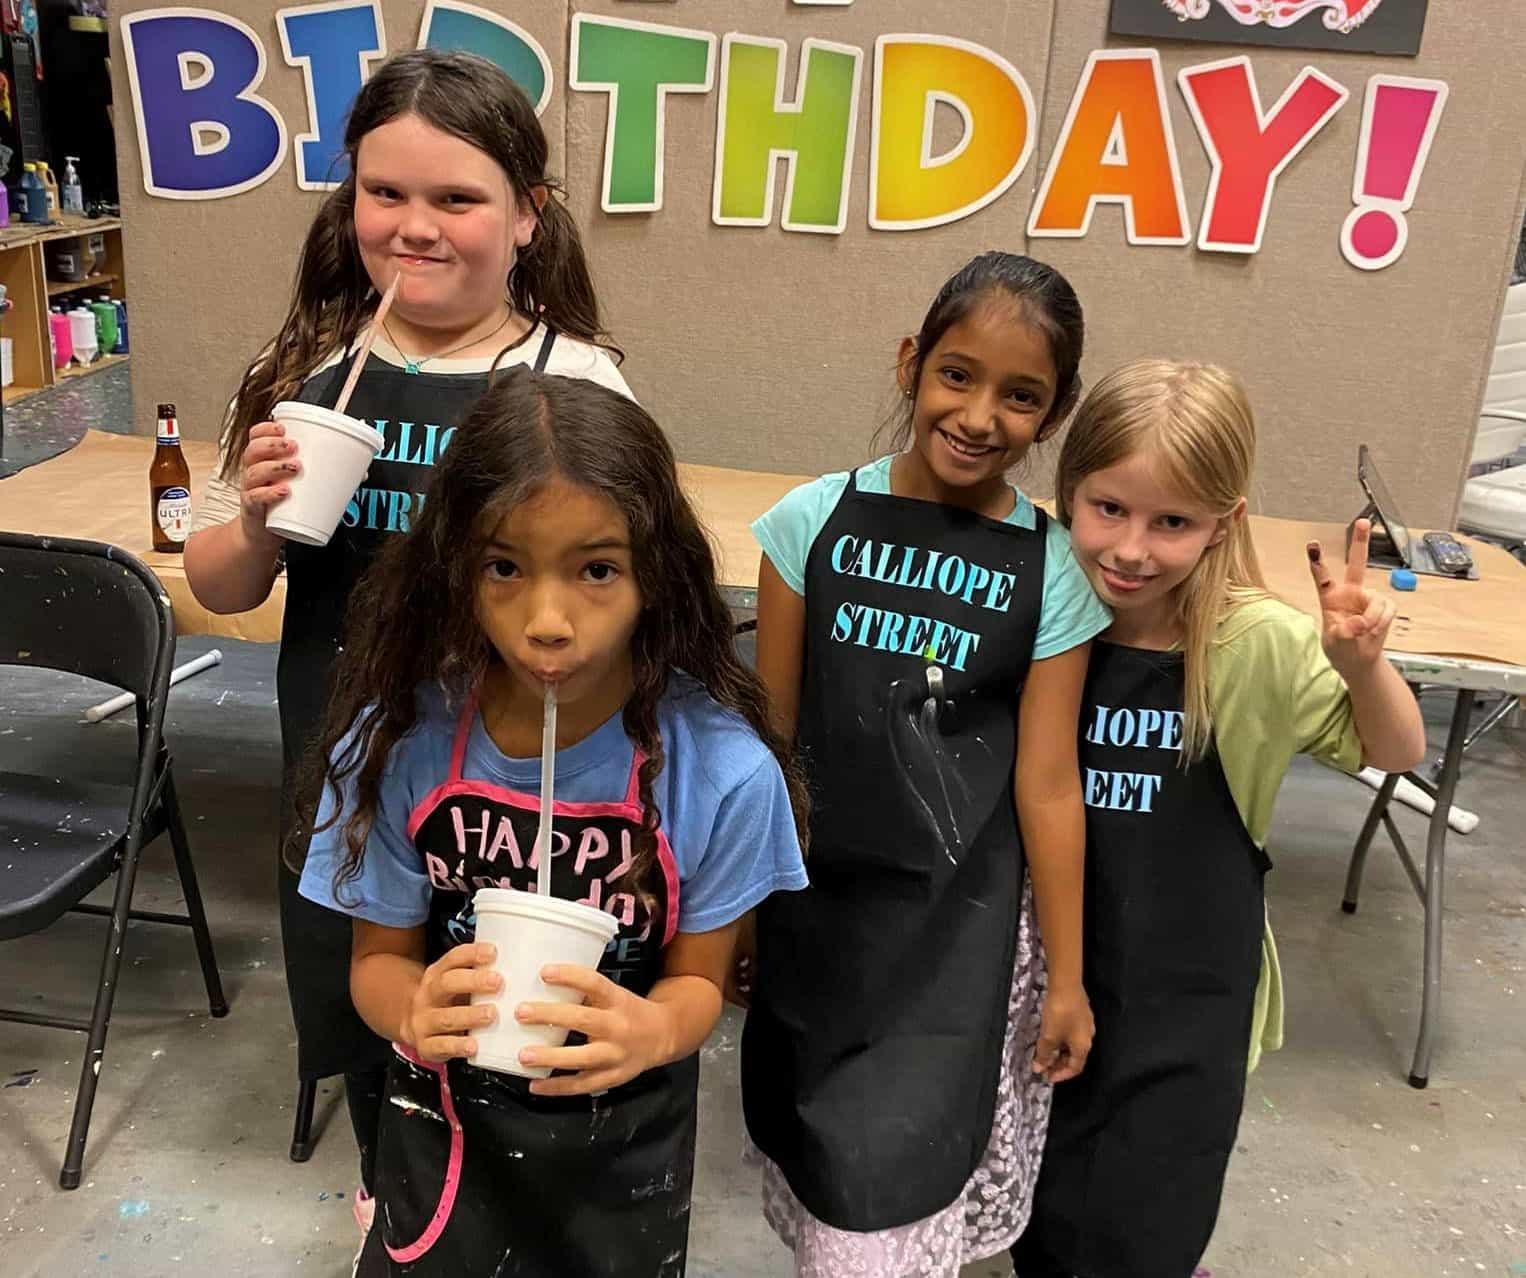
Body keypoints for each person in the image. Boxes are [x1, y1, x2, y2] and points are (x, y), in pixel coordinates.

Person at [183, 47, 630, 1237]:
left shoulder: (576, 386)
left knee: (495, 1022)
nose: (413, 226)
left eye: (456, 199)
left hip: (497, 781)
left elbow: (615, 611)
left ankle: (490, 1213)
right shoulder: (307, 375)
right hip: (337, 769)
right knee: (371, 1006)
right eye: (385, 194)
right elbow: (224, 590)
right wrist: (257, 520)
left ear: (527, 217)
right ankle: (405, 1202)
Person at [298, 371, 809, 1276]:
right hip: (447, 1144)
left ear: (658, 574)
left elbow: (698, 981)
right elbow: (377, 961)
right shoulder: (400, 746)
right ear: (453, 567)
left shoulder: (722, 772)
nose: (546, 622)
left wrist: (651, 1031)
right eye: (505, 566)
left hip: (625, 1160)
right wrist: (411, 1007)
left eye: (597, 570)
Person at [1011, 360, 1426, 1278]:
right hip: (1041, 981)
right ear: (1067, 491)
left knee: (1145, 1226)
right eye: (1107, 508)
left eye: (1173, 523)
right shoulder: (1037, 617)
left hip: (1185, 1008)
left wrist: (1361, 667)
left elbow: (1397, 752)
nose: (1130, 548)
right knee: (1044, 1218)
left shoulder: (1255, 644)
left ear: (1223, 524)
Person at [741, 252, 1113, 1274]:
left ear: (1054, 412)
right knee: (821, 1172)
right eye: (958, 374)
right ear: (910, 364)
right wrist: (732, 916)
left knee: (885, 1196)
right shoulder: (806, 527)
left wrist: (1067, 981)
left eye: (1020, 396)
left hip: (957, 943)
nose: (979, 414)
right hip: (815, 922)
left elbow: (1046, 785)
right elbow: (766, 743)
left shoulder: (1050, 572)